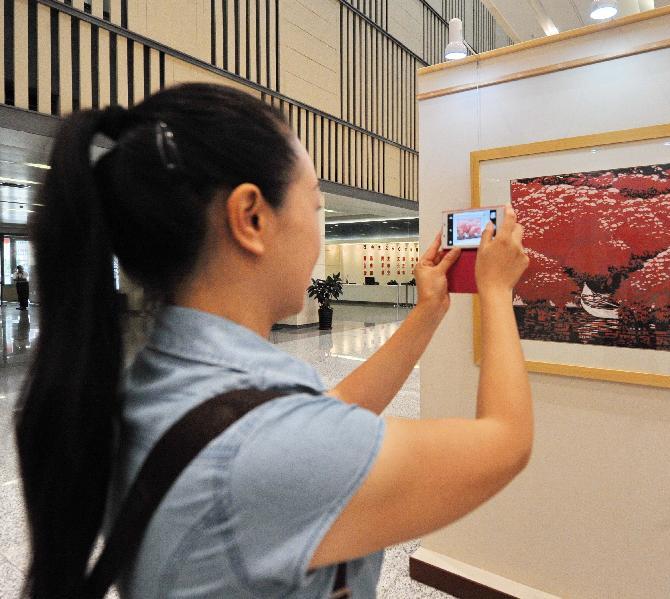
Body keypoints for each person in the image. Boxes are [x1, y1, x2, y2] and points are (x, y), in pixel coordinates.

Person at [14, 83, 532, 598]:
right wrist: (495, 289)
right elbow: (505, 442)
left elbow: (325, 413)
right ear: (252, 218)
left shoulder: (165, 385)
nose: (317, 230)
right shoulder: (263, 449)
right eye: (312, 205)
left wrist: (428, 311)